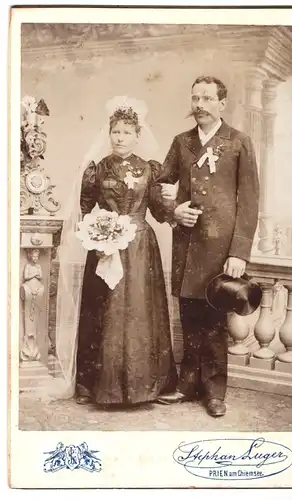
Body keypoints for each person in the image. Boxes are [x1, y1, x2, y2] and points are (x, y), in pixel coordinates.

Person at [152, 76, 260, 417]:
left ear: (221, 103)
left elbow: (250, 201)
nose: (199, 104)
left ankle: (214, 391)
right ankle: (186, 384)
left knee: (214, 322)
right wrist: (172, 211)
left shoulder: (239, 142)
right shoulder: (181, 142)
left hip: (221, 247)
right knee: (189, 318)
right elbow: (157, 186)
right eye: (195, 97)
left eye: (207, 98)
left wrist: (239, 252)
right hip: (186, 245)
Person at [70, 101, 178, 406]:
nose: (119, 137)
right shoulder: (98, 168)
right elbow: (83, 206)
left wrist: (177, 210)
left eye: (126, 132)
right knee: (101, 311)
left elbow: (159, 211)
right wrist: (95, 230)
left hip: (141, 248)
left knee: (140, 311)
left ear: (137, 134)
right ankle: (93, 386)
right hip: (104, 247)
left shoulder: (149, 169)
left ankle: (145, 386)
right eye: (115, 131)